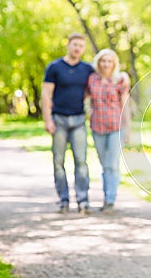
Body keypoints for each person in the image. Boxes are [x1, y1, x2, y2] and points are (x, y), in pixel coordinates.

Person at [42, 32, 94, 214]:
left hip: (79, 119)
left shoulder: (87, 69)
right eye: (75, 44)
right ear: (68, 45)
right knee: (58, 161)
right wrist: (47, 119)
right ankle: (63, 200)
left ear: (83, 49)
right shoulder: (54, 67)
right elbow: (46, 94)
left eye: (81, 45)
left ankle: (83, 201)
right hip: (59, 120)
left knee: (81, 161)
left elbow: (98, 84)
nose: (77, 48)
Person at [86, 49, 130, 214]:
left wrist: (128, 129)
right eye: (103, 60)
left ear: (114, 63)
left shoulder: (120, 80)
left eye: (109, 61)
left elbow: (125, 105)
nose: (106, 64)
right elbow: (84, 97)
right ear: (98, 62)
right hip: (97, 127)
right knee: (104, 165)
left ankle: (110, 200)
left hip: (115, 127)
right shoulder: (91, 80)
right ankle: (106, 198)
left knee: (112, 164)